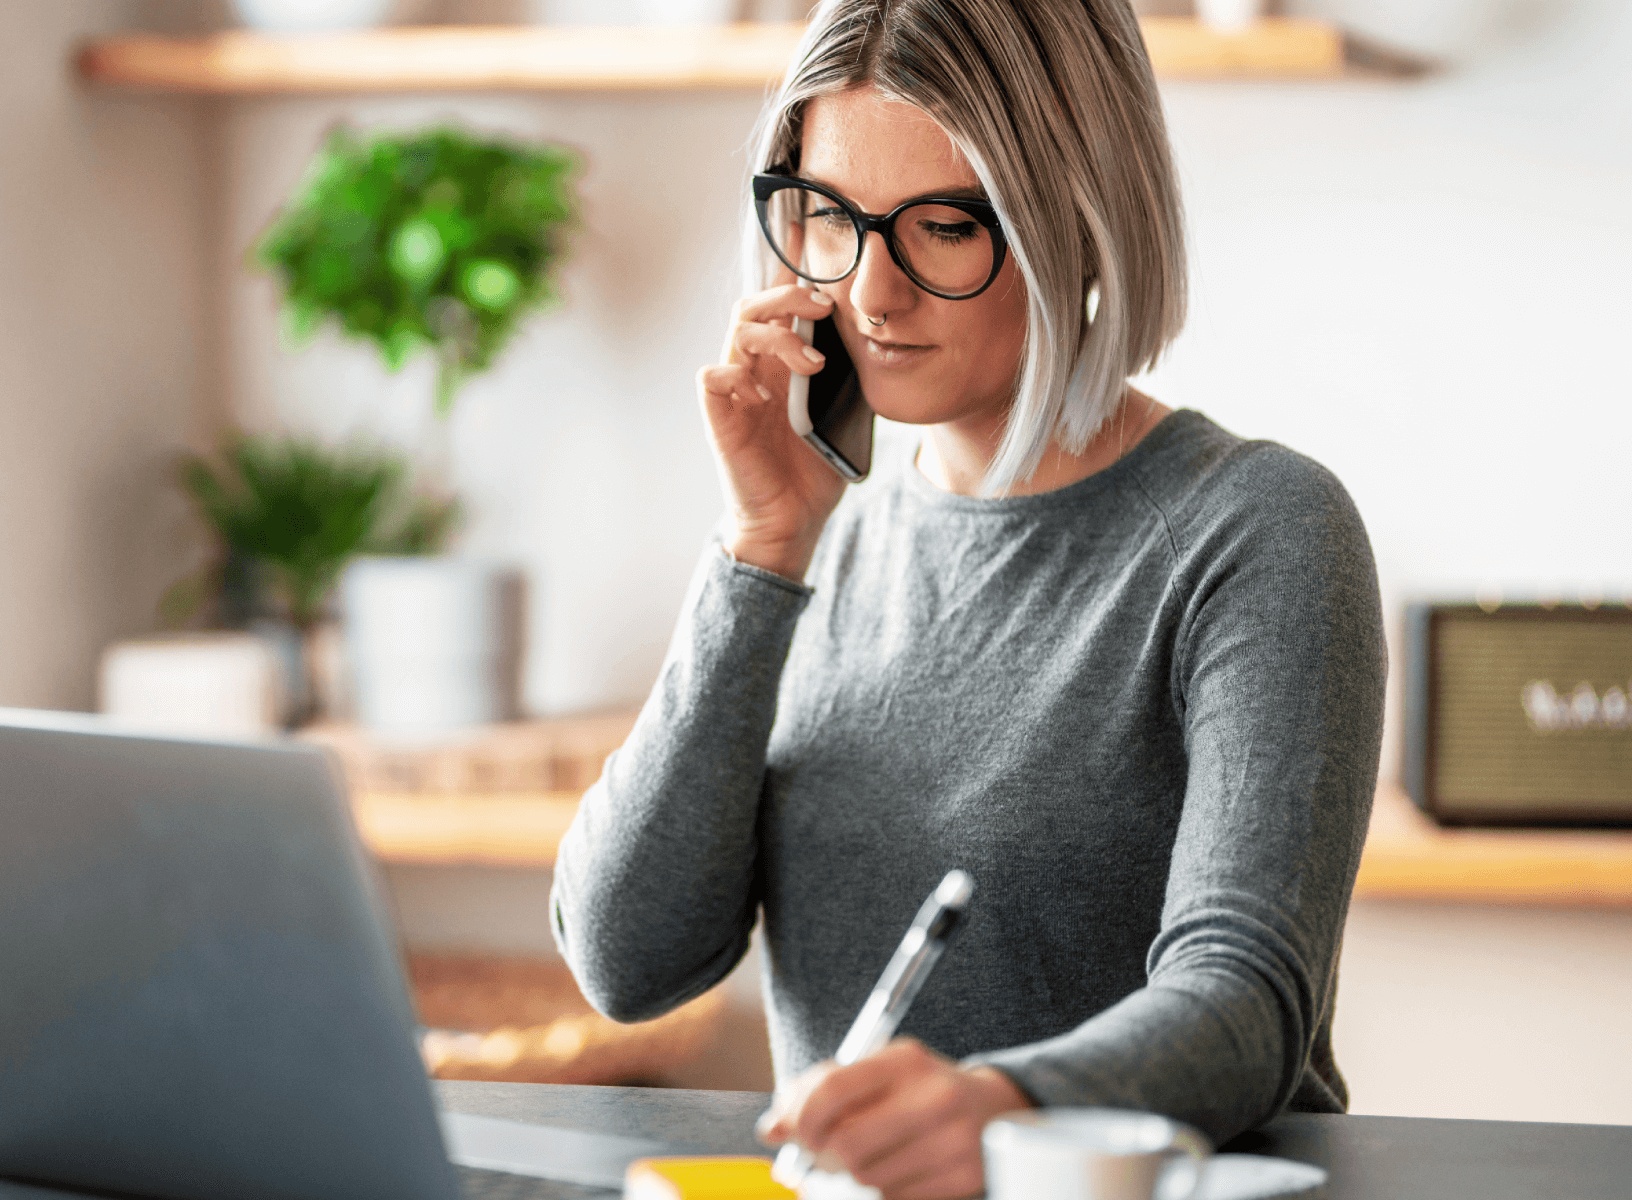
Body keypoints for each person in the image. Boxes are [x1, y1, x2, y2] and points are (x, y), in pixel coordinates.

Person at [551, 1, 1387, 1197]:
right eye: (829, 220)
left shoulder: (1254, 528)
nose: (873, 294)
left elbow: (1248, 999)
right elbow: (628, 962)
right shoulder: (806, 545)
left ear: (1082, 223)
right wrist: (760, 550)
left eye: (942, 226)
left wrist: (1002, 1113)